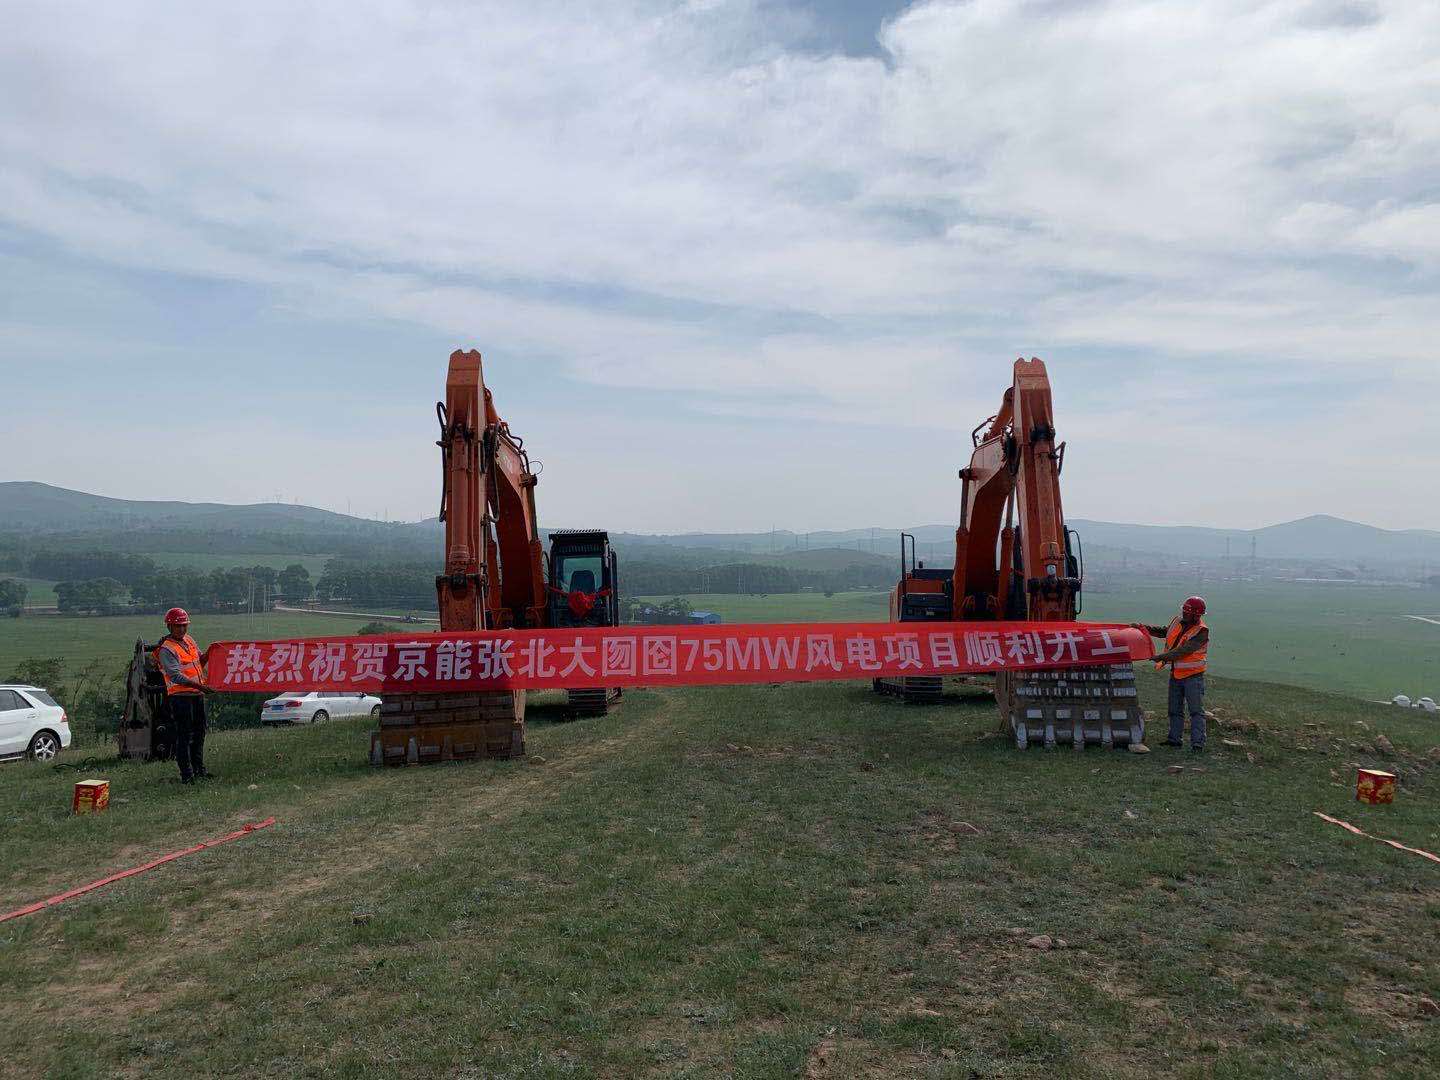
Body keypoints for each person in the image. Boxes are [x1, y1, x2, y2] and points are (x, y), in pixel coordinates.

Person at [1132, 596, 1210, 751]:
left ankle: (1197, 743)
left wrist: (1161, 657)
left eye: (1187, 612)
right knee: (1174, 709)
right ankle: (1174, 740)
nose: (1183, 613)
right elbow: (1164, 631)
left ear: (1196, 615)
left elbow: (1182, 651)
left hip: (1193, 676)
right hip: (1177, 674)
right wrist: (1143, 628)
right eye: (1184, 611)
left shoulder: (1202, 631)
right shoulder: (1178, 621)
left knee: (1195, 711)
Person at [154, 607, 216, 784]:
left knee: (199, 733)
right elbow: (175, 676)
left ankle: (199, 770)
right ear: (169, 627)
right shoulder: (166, 649)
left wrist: (210, 652)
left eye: (184, 625)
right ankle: (187, 775)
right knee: (184, 736)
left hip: (197, 694)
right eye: (178, 626)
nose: (182, 629)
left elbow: (199, 661)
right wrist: (200, 686)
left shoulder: (189, 640)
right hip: (180, 697)